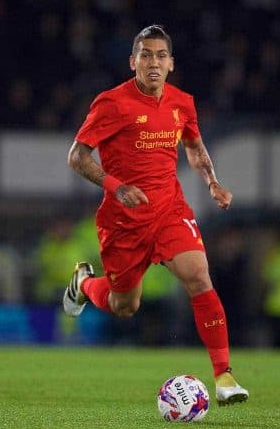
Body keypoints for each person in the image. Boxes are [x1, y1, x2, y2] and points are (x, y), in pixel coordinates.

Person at [62, 25, 248, 405]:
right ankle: (83, 284)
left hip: (169, 211)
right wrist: (116, 186)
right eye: (145, 55)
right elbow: (77, 157)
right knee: (124, 306)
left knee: (199, 276)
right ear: (133, 62)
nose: (153, 62)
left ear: (171, 64)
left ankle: (225, 376)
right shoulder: (111, 103)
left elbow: (195, 147)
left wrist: (213, 182)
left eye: (161, 55)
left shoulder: (182, 103)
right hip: (123, 221)